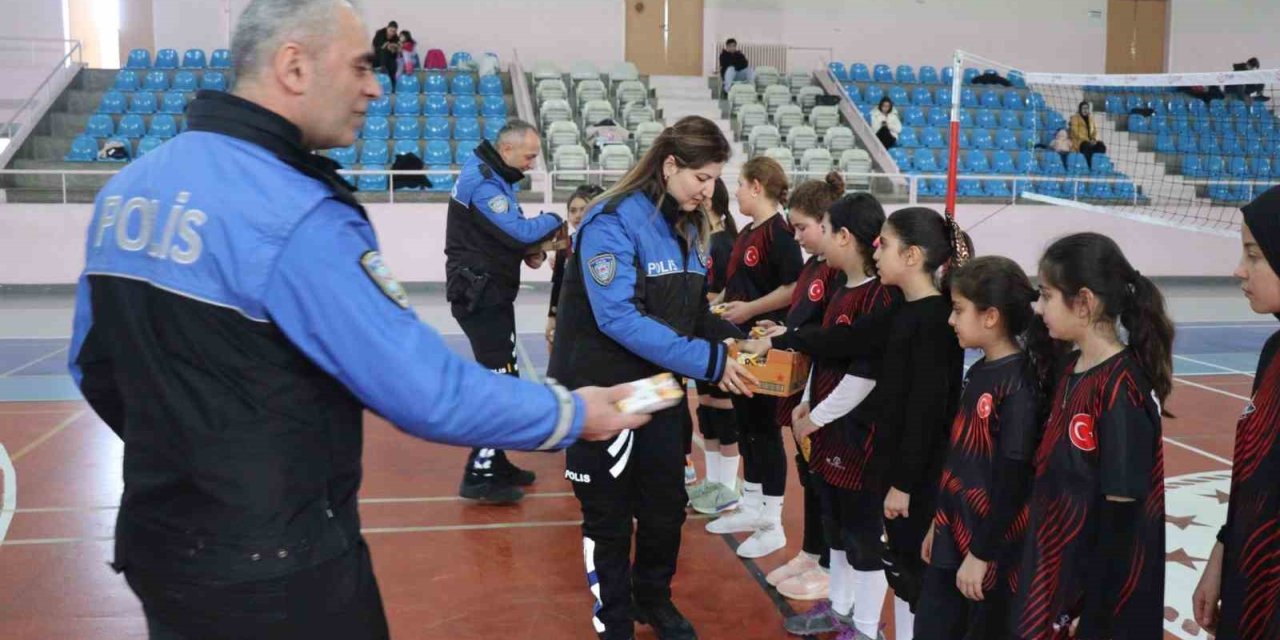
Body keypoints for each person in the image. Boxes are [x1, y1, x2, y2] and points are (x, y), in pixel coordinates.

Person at [65, 2, 646, 638]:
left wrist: (194, 453)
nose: (375, 86)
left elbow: (94, 365)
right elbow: (424, 390)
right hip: (279, 565)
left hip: (161, 543)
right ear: (293, 66)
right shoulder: (296, 213)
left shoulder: (129, 189)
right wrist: (574, 414)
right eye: (361, 67)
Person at [548, 115, 757, 640]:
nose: (709, 191)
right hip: (607, 395)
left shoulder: (686, 227)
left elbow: (685, 314)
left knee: (666, 508)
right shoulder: (610, 222)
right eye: (702, 178)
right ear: (669, 166)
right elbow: (619, 318)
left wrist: (736, 335)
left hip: (661, 389)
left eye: (713, 179)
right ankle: (614, 620)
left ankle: (653, 599)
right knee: (608, 518)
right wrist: (711, 363)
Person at [1010, 232, 1172, 640]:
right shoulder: (1071, 368)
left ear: (1083, 302)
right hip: (1054, 573)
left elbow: (1122, 520)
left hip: (1094, 600)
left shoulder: (1121, 391)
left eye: (1047, 296)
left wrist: (1094, 609)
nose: (1040, 308)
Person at [774, 192, 901, 640]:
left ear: (845, 236)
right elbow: (823, 354)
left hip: (858, 437)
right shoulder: (839, 288)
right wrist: (807, 400)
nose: (816, 241)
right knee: (837, 531)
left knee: (864, 538)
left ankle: (866, 628)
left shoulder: (881, 298)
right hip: (827, 429)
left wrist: (818, 416)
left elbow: (864, 375)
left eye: (822, 230)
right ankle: (841, 609)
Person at [916, 256, 1054, 640]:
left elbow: (1013, 481)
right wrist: (938, 522)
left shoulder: (1019, 388)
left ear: (991, 316)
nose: (951, 320)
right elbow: (960, 458)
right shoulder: (980, 372)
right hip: (952, 532)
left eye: (959, 310)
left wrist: (981, 553)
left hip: (984, 552)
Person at [445, 118, 566, 504]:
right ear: (507, 149)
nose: (532, 164)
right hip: (480, 296)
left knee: (505, 378)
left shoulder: (494, 177)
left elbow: (502, 238)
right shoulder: (482, 182)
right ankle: (478, 474)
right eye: (529, 156)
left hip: (490, 292)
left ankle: (495, 460)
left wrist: (526, 249)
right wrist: (555, 220)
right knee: (499, 383)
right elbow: (519, 232)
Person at [752, 173, 847, 602]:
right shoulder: (812, 266)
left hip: (831, 393)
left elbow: (828, 335)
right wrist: (783, 328)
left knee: (830, 481)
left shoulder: (844, 275)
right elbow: (804, 322)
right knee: (808, 475)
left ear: (828, 223)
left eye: (803, 227)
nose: (797, 236)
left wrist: (787, 336)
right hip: (805, 389)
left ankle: (830, 565)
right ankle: (811, 552)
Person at [1192, 186, 1280, 639]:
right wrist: (1222, 555)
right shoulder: (1272, 351)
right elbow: (1255, 476)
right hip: (1252, 576)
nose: (1239, 270)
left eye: (1255, 254)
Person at [705, 156, 804, 560]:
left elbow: (793, 286)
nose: (738, 193)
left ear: (758, 186)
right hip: (741, 345)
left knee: (764, 429)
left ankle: (773, 520)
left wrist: (749, 310)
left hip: (767, 345)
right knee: (744, 423)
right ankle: (750, 502)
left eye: (742, 186)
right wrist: (724, 307)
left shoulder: (779, 233)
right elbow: (736, 287)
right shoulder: (746, 232)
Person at [686, 178, 745, 513]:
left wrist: (700, 304)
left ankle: (726, 486)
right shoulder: (702, 240)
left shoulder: (724, 243)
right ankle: (713, 482)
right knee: (706, 409)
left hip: (718, 332)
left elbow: (723, 291)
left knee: (722, 411)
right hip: (701, 333)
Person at [546, 184, 604, 349]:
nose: (578, 215)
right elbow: (558, 284)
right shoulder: (565, 244)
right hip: (571, 318)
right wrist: (552, 317)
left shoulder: (609, 244)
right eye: (573, 210)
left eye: (583, 209)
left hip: (599, 322)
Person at [1068, 101, 1106, 167]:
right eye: (1083, 108)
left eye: (1087, 108)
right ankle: (1088, 165)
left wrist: (1093, 139)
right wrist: (1087, 140)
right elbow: (1075, 131)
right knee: (1086, 146)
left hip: (1089, 141)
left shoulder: (1091, 119)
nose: (1085, 110)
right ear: (1080, 109)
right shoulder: (1075, 118)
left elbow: (1094, 131)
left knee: (1101, 145)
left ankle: (1098, 164)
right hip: (1078, 142)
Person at [370, 20, 399, 89]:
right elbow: (375, 48)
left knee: (393, 64)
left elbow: (396, 52)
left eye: (394, 32)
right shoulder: (380, 34)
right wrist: (385, 46)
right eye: (391, 31)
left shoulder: (396, 37)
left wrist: (394, 49)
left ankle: (393, 86)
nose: (392, 33)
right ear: (387, 28)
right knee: (384, 51)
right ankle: (383, 68)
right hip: (377, 57)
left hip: (389, 58)